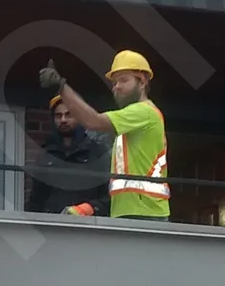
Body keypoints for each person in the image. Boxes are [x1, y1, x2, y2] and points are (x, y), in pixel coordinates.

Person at [39, 50, 168, 220]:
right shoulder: (129, 124)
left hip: (144, 212)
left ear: (142, 82)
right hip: (131, 211)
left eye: (123, 80)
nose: (117, 87)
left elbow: (93, 121)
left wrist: (61, 88)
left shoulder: (144, 112)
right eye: (114, 82)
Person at [25, 106, 108, 216]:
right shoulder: (46, 154)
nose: (63, 120)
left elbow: (107, 196)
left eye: (69, 114)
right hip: (52, 225)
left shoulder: (97, 152)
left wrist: (87, 208)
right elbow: (36, 199)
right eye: (58, 116)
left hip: (87, 225)